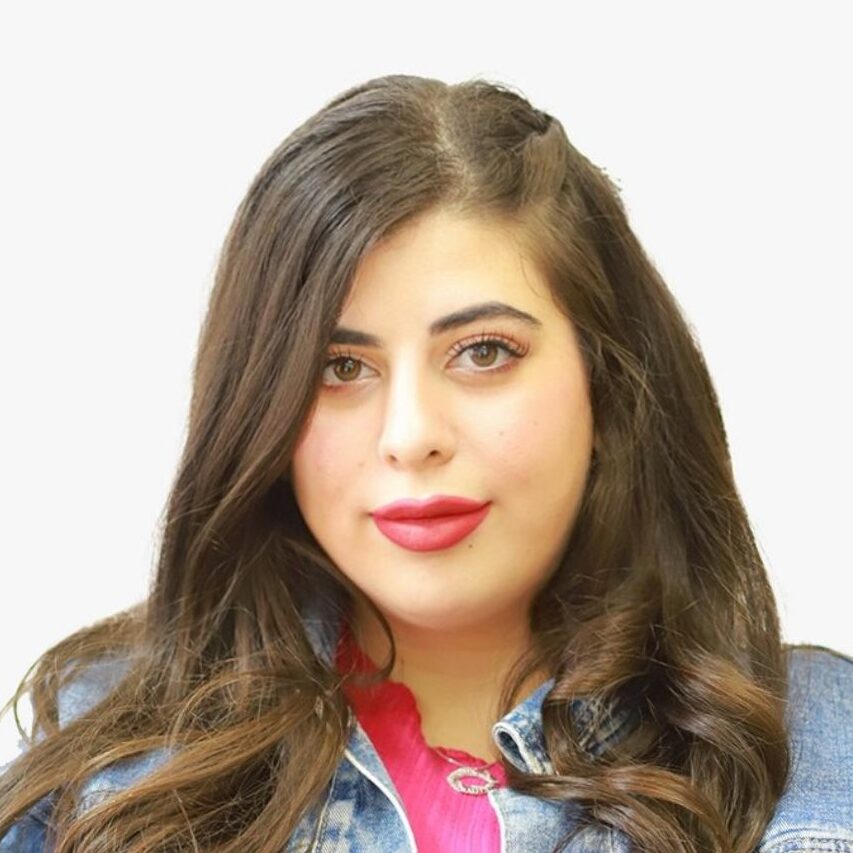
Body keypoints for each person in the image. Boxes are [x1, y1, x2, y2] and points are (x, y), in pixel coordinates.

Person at [0, 73, 850, 853]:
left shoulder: (810, 755)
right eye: (340, 366)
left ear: (607, 384)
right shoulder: (109, 775)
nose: (409, 436)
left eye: (483, 351)